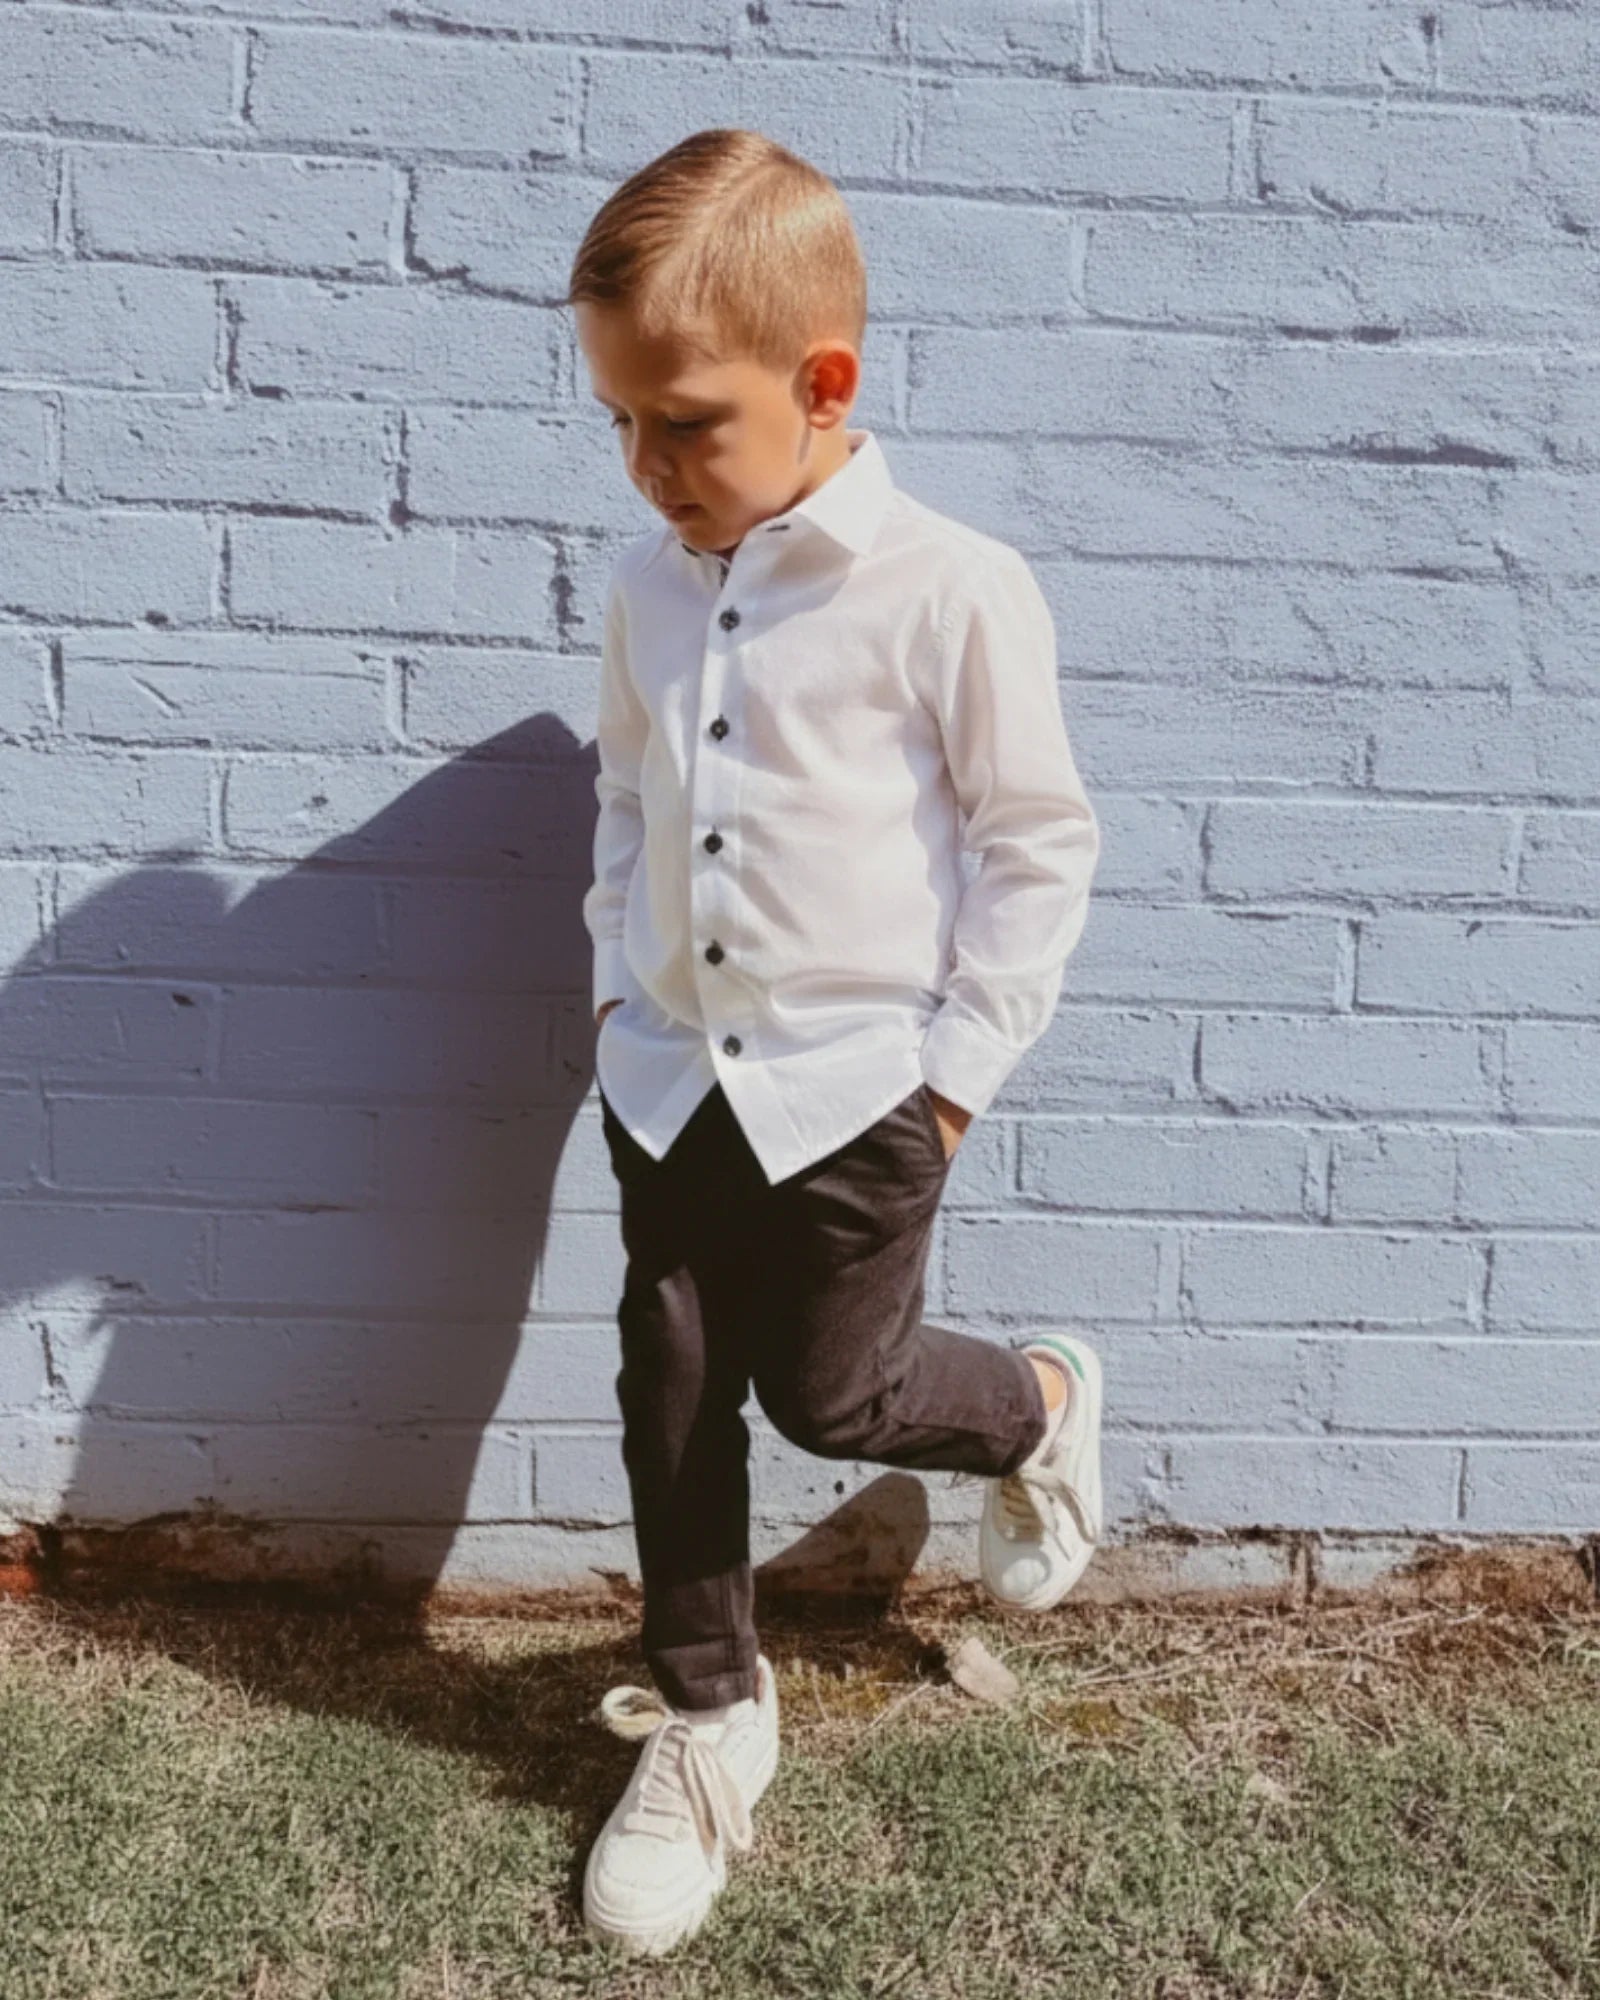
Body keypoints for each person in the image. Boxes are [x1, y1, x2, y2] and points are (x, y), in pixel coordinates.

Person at [564, 126, 1104, 1958]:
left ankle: (1038, 1405)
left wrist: (952, 1081)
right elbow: (631, 808)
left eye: (687, 421)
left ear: (822, 385)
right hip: (667, 1078)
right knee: (673, 1389)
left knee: (834, 1392)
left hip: (867, 1093)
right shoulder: (647, 589)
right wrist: (614, 999)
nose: (650, 468)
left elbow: (1038, 846)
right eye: (621, 423)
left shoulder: (951, 589)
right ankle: (715, 1717)